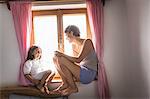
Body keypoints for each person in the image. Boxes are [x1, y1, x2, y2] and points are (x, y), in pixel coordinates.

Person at [53, 25, 98, 95]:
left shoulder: (87, 42)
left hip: (89, 73)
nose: (66, 38)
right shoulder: (74, 45)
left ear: (71, 33)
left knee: (61, 58)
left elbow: (78, 60)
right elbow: (74, 62)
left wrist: (62, 55)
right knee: (55, 58)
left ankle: (73, 88)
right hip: (81, 71)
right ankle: (65, 83)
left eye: (66, 35)